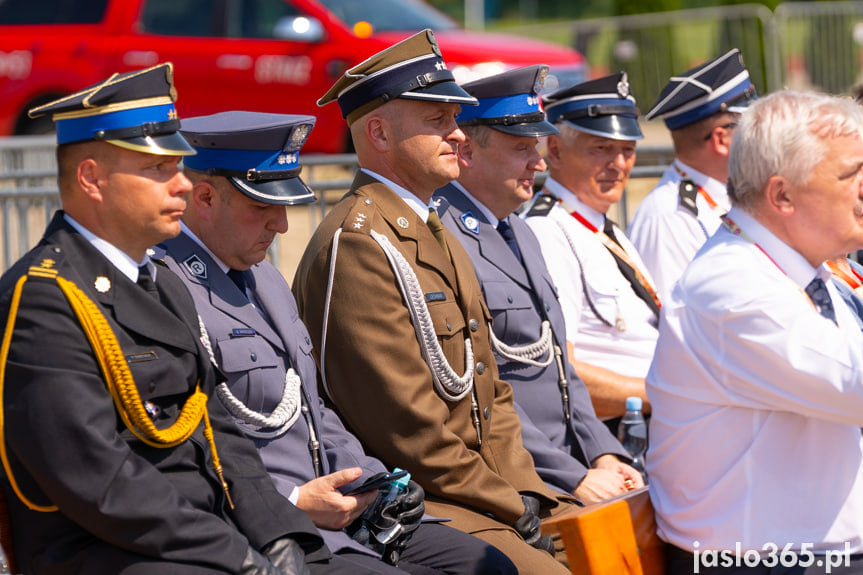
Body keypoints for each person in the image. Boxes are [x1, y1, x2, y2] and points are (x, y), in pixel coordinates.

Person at [0, 64, 331, 574]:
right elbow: (100, 480)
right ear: (92, 178)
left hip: (200, 538)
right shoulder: (42, 300)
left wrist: (281, 534)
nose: (182, 185)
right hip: (112, 553)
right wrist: (238, 557)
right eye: (159, 169)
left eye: (180, 166)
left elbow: (217, 429)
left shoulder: (161, 282)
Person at [157, 110, 517, 575]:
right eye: (263, 207)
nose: (282, 225)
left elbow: (310, 405)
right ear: (204, 198)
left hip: (338, 511)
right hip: (264, 527)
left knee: (487, 567)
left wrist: (370, 478)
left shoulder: (261, 275)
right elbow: (189, 441)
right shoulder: (167, 289)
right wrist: (291, 500)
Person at [292, 30, 579, 575]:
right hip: (426, 499)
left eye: (455, 119)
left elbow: (491, 392)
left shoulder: (430, 225)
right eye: (437, 121)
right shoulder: (360, 242)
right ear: (377, 131)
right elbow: (407, 430)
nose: (458, 136)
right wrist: (515, 508)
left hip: (487, 489)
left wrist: (528, 493)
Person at [646, 90, 863, 575]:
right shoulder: (733, 286)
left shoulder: (807, 271)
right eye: (851, 174)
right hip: (764, 562)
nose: (862, 187)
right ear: (782, 195)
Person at [433, 65, 643, 503]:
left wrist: (603, 452)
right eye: (522, 147)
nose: (539, 161)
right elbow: (480, 387)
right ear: (467, 150)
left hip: (571, 464)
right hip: (518, 479)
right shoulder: (443, 238)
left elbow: (559, 366)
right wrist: (572, 477)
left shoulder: (518, 231)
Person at [522, 73, 656, 423]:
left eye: (627, 150)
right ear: (555, 150)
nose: (619, 164)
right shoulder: (547, 229)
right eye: (601, 149)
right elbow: (558, 371)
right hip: (619, 432)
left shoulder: (598, 223)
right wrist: (666, 394)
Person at [627, 49, 758, 302]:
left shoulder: (733, 195)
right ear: (722, 139)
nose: (764, 133)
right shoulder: (670, 218)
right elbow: (673, 321)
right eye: (753, 125)